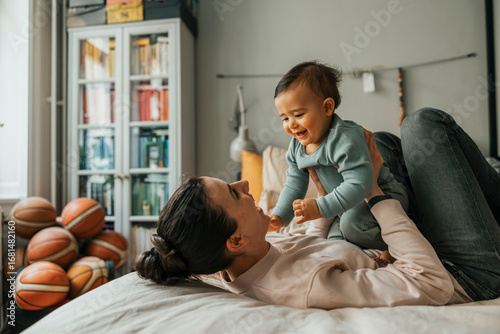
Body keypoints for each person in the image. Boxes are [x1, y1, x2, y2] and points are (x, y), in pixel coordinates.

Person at [135, 108, 500, 309]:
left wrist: (329, 197)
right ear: (235, 240)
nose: (245, 184)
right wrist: (372, 192)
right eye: (233, 194)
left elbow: (311, 247)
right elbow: (431, 284)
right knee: (423, 125)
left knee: (384, 142)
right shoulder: (301, 287)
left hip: (397, 248)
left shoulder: (236, 256)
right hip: (462, 274)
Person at [269, 61, 408, 261]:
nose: (291, 125)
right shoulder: (297, 147)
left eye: (298, 115)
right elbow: (293, 184)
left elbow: (359, 183)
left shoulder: (344, 138)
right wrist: (280, 216)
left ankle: (396, 247)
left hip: (381, 196)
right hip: (344, 206)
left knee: (351, 226)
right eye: (284, 118)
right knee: (335, 241)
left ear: (327, 107)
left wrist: (319, 208)